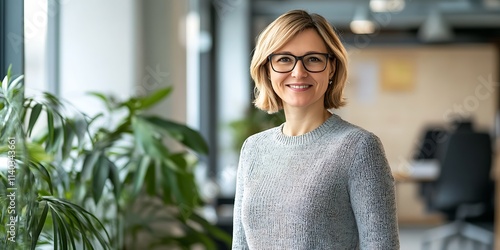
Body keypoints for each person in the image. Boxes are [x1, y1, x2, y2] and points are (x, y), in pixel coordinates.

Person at [232, 9, 400, 249]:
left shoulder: (359, 148)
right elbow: (241, 245)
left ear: (331, 67)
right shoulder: (253, 148)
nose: (298, 72)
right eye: (284, 59)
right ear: (267, 69)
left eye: (313, 59)